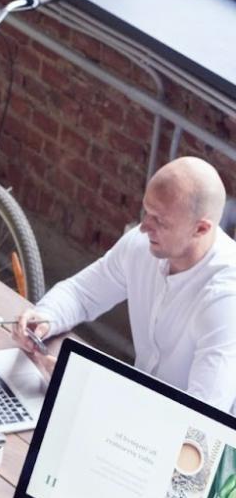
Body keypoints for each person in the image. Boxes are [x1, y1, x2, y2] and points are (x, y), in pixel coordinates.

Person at [13, 156, 236, 411]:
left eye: (159, 221)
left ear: (201, 229)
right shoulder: (145, 245)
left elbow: (201, 418)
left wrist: (88, 389)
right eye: (146, 211)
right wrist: (44, 318)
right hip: (136, 411)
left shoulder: (226, 301)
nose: (143, 227)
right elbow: (81, 293)